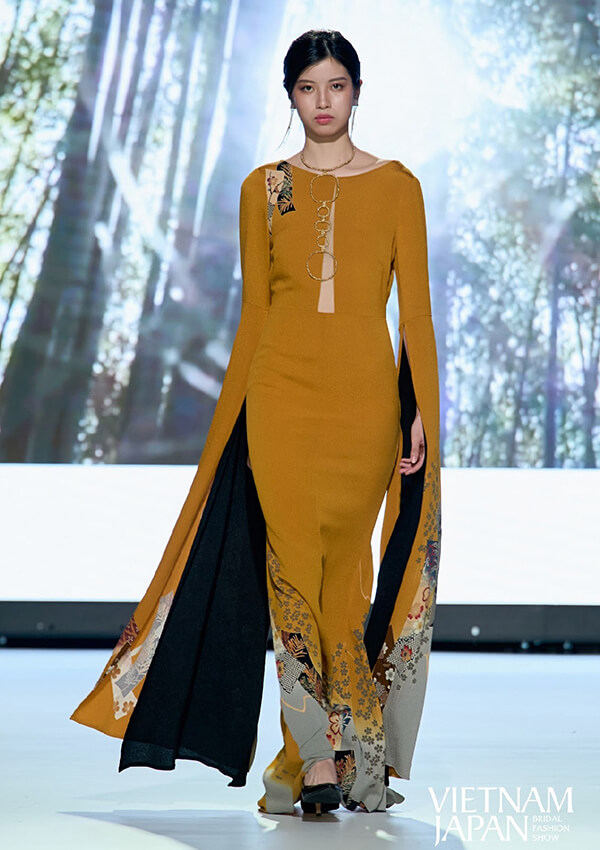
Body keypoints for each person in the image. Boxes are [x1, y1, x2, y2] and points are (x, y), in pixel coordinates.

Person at [70, 29, 441, 818]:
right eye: (308, 88)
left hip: (367, 409)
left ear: (357, 91)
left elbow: (416, 317)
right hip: (279, 399)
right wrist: (234, 416)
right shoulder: (264, 188)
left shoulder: (398, 186)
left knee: (348, 584)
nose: (323, 102)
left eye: (336, 85)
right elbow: (254, 318)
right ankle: (319, 756)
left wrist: (419, 414)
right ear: (291, 97)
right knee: (291, 579)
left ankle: (338, 754)